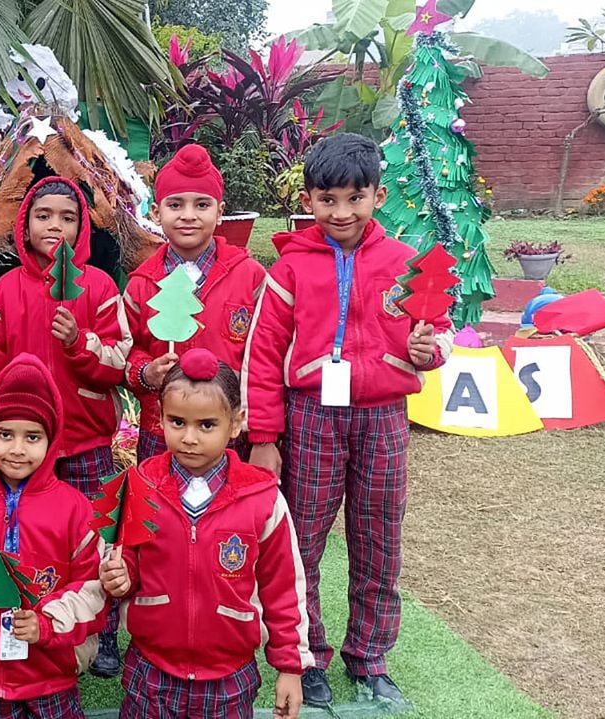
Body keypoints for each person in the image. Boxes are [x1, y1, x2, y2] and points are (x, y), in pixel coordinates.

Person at [243, 133, 452, 707]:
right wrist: (264, 436)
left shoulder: (404, 264)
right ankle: (304, 655)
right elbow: (262, 356)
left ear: (378, 196)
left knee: (379, 540)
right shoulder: (288, 269)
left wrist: (428, 352)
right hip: (311, 417)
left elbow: (436, 336)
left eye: (355, 198)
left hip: (383, 417)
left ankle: (369, 659)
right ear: (307, 199)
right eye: (327, 199)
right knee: (300, 542)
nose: (341, 212)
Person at [0, 176, 131, 675]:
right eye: (43, 216)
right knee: (27, 537)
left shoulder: (99, 286)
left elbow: (119, 360)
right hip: (23, 449)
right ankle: (24, 624)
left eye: (67, 217)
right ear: (25, 224)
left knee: (95, 540)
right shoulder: (5, 291)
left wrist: (80, 343)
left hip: (84, 442)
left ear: (82, 227)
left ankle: (101, 632)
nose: (55, 226)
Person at [99, 349, 311, 719]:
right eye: (177, 422)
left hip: (230, 677)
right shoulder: (139, 486)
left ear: (236, 423)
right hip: (151, 670)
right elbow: (125, 557)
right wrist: (121, 575)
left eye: (207, 425)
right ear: (160, 417)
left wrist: (290, 667)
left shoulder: (262, 498)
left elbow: (283, 588)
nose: (190, 438)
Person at [0, 355, 105, 719]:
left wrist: (47, 624)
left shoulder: (75, 508)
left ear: (51, 439)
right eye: (5, 434)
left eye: (32, 437)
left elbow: (93, 590)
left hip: (53, 671)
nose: (17, 449)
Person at [124, 144, 266, 462]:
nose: (188, 215)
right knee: (158, 495)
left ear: (220, 212)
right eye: (175, 205)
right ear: (156, 213)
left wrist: (261, 433)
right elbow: (125, 348)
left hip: (228, 429)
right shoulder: (141, 284)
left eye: (202, 205)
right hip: (163, 429)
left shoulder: (250, 277)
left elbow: (265, 357)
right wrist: (146, 372)